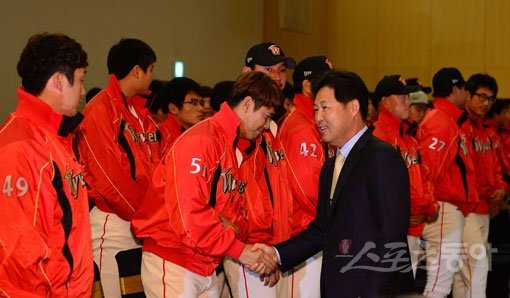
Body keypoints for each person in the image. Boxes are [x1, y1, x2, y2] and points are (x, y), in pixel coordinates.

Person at [259, 70, 412, 297]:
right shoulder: (331, 166)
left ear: (353, 107)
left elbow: (391, 236)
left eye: (325, 108)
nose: (318, 117)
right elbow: (322, 230)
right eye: (315, 110)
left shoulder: (381, 157)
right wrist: (276, 254)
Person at [131, 71, 280, 297]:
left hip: (207, 261)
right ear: (248, 104)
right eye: (266, 116)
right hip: (174, 258)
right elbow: (189, 214)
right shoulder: (202, 140)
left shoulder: (233, 145)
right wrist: (239, 249)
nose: (268, 126)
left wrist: (249, 246)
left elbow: (230, 212)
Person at [0, 33, 92, 296]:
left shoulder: (56, 141)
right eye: (81, 81)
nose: (84, 91)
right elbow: (20, 263)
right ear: (60, 81)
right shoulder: (21, 149)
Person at [76, 38, 159, 297]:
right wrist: (147, 217)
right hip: (113, 224)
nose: (152, 76)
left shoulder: (139, 113)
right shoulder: (100, 110)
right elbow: (109, 179)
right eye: (151, 69)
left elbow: (154, 169)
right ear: (137, 71)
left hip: (141, 222)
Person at [416, 67, 481, 297]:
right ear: (456, 89)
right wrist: (429, 204)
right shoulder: (441, 122)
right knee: (438, 286)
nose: (466, 94)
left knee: (441, 284)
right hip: (441, 208)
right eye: (465, 89)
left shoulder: (446, 119)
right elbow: (427, 170)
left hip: (445, 209)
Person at [274, 55, 333, 297]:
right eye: (326, 82)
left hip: (313, 232)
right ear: (308, 87)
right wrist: (333, 218)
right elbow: (307, 190)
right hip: (304, 233)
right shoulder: (301, 127)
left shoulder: (314, 122)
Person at [372, 75, 439, 277]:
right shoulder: (377, 136)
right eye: (402, 97)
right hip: (394, 230)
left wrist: (431, 206)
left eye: (408, 97)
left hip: (415, 225)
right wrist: (403, 214)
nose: (408, 102)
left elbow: (423, 176)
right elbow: (380, 189)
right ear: (385, 101)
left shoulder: (407, 136)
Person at [452, 73, 507, 297]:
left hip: (485, 208)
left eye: (490, 99)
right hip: (467, 208)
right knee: (477, 267)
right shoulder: (460, 127)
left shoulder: (488, 129)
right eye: (481, 96)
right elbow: (466, 171)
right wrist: (488, 192)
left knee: (462, 272)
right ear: (467, 94)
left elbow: (496, 164)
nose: (485, 103)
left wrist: (501, 188)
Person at [156, 77, 205, 155]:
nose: (201, 108)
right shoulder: (160, 136)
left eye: (201, 103)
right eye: (194, 103)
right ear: (173, 108)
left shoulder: (197, 131)